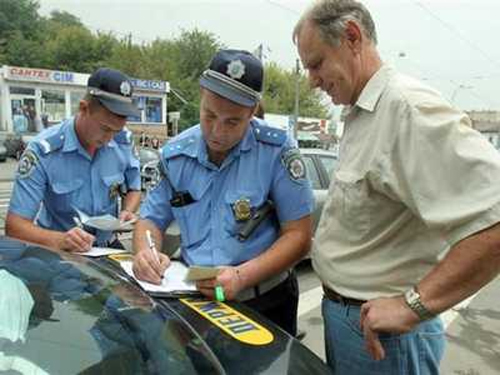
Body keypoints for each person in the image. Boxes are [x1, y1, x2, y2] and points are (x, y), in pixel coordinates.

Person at [294, 1, 500, 373]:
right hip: (355, 323)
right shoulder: (362, 113)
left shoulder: (406, 110)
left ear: (352, 37)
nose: (311, 79)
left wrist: (413, 306)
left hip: (385, 338)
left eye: (316, 63)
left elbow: (495, 217)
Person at [132, 49, 314, 336]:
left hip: (264, 302)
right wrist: (146, 252)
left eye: (233, 122)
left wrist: (241, 276)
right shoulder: (175, 155)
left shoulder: (277, 151)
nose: (217, 131)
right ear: (202, 95)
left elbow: (299, 236)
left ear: (253, 111)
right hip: (198, 300)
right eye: (209, 115)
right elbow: (150, 220)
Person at [6, 68, 142, 252]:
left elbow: (134, 188)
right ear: (83, 108)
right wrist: (62, 240)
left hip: (107, 248)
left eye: (116, 130)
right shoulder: (44, 151)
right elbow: (15, 227)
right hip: (60, 253)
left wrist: (128, 211)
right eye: (105, 128)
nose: (110, 138)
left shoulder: (122, 141)